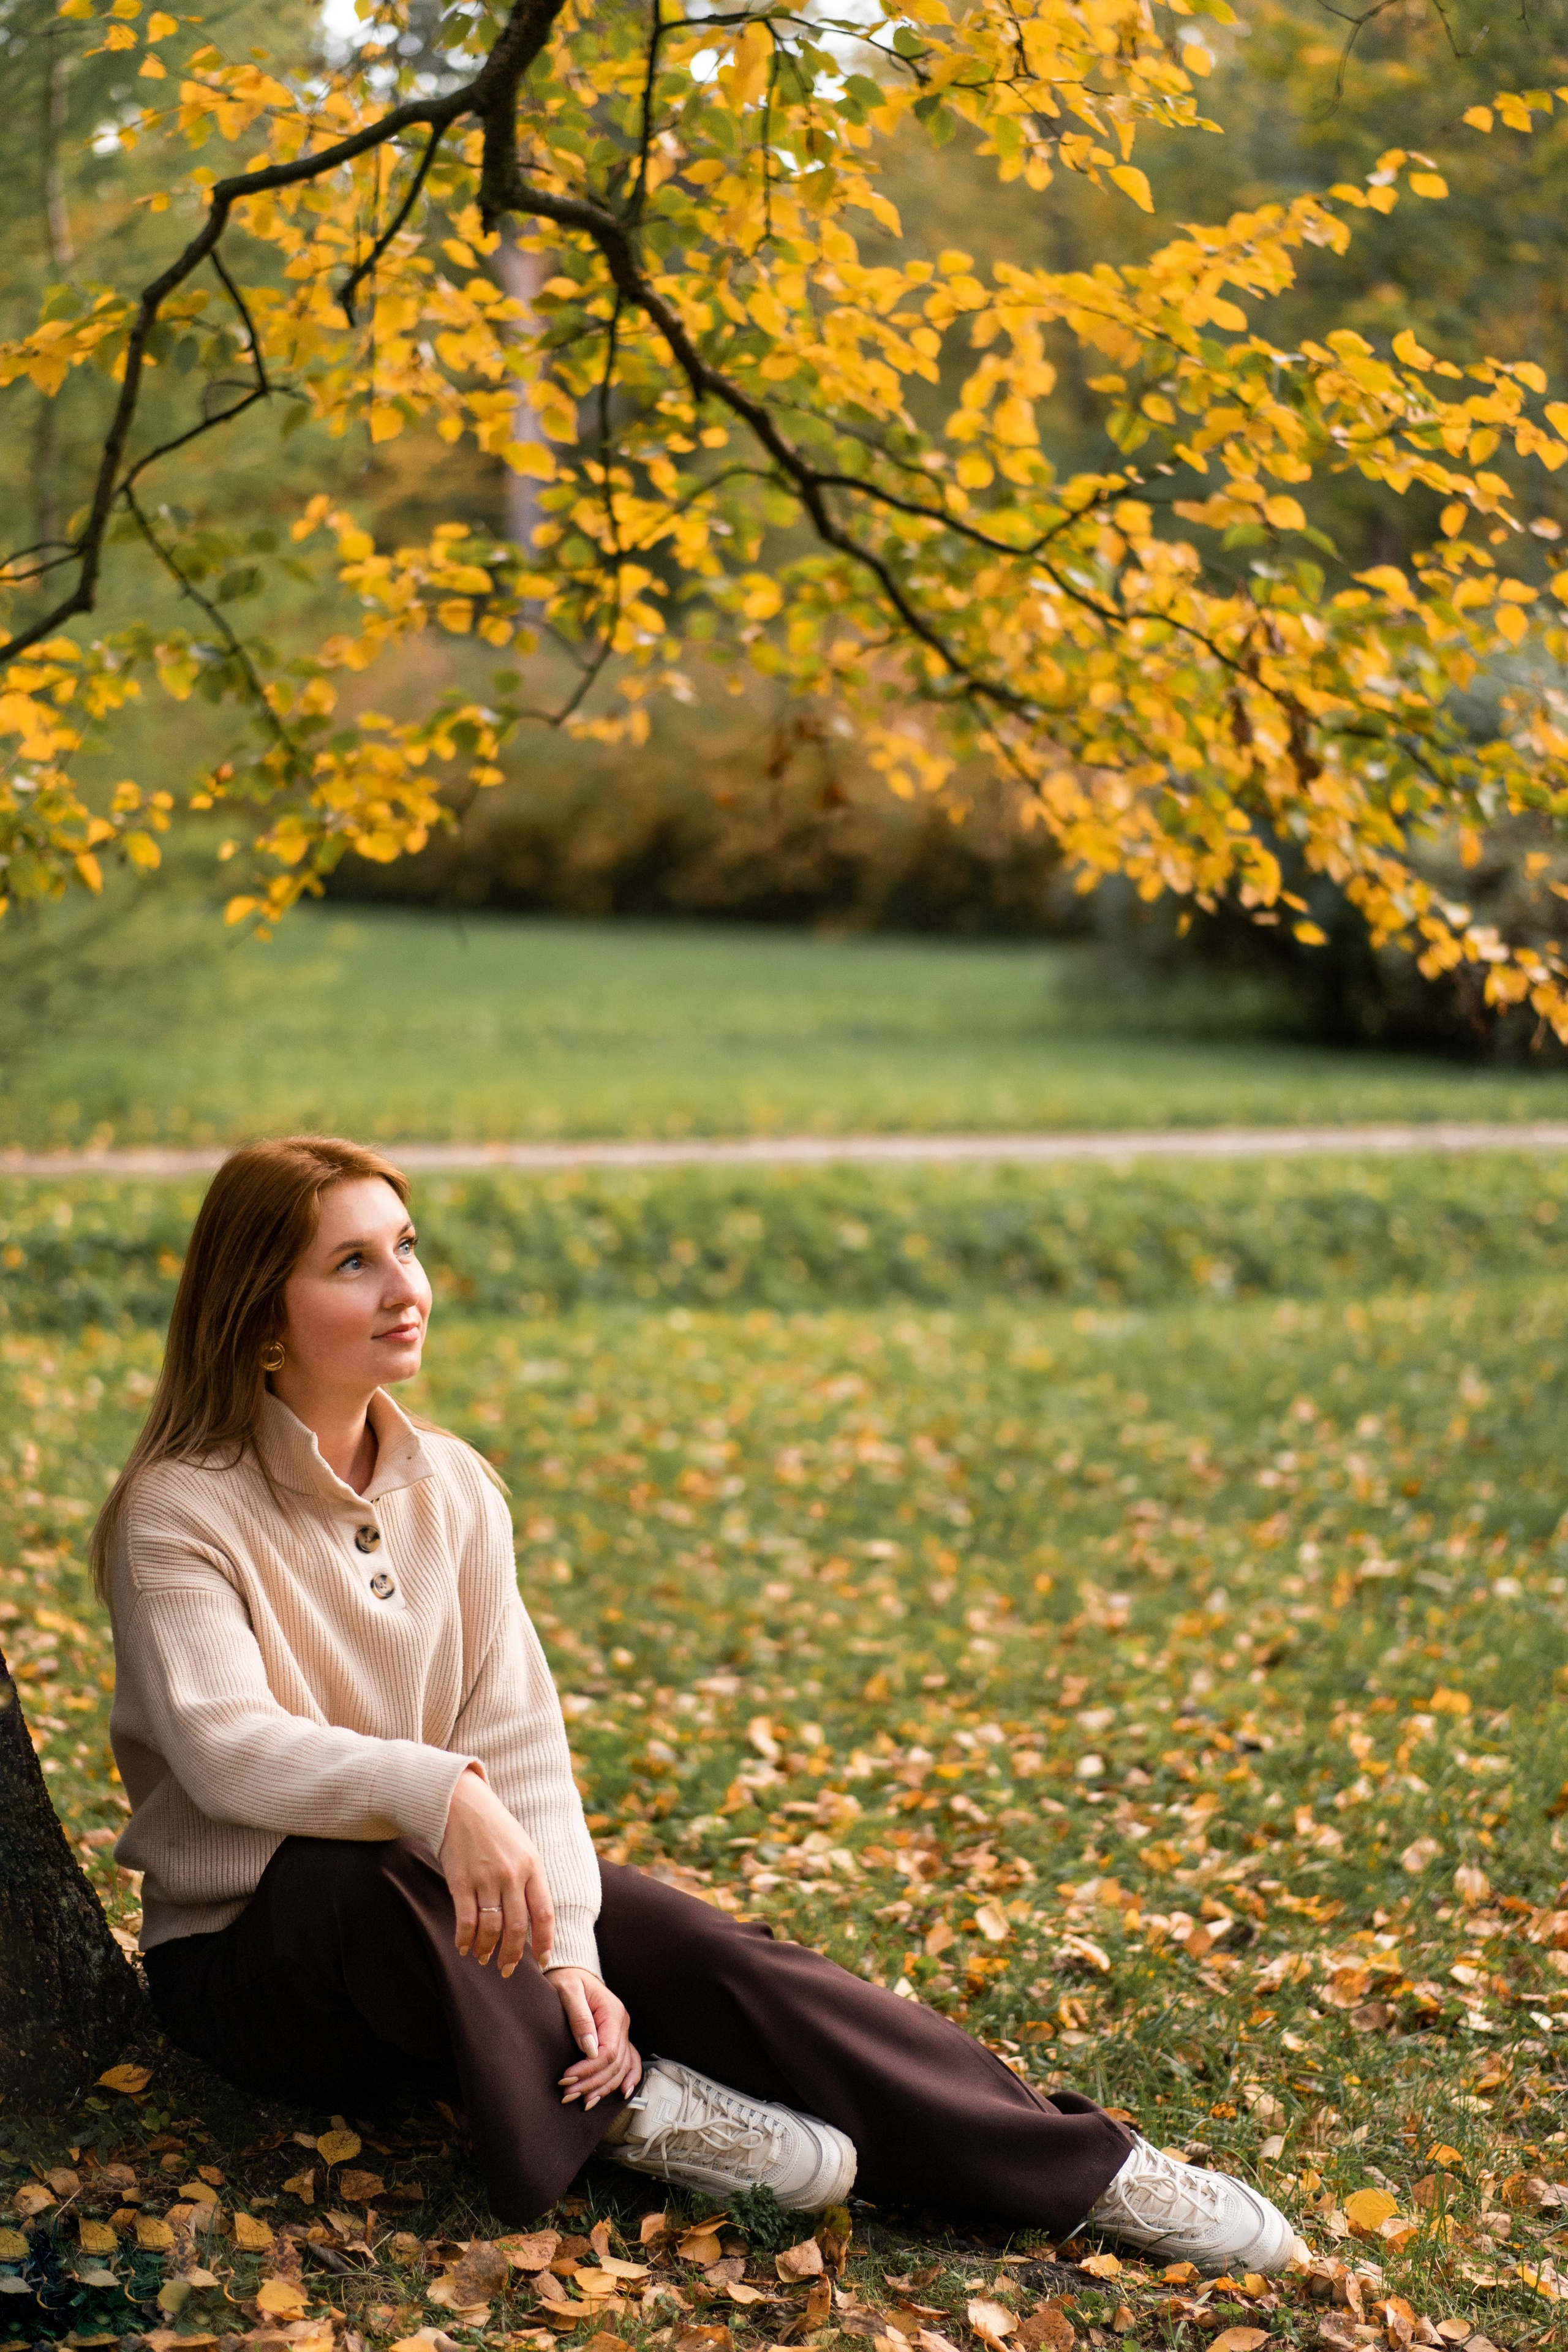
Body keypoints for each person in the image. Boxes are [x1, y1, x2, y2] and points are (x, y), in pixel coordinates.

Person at [93, 1134, 1297, 2271]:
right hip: (257, 1966)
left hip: (449, 1912)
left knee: (707, 1953)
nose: (406, 1287)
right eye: (353, 1263)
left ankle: (1085, 2170)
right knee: (361, 1881)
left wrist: (568, 1949)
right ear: (261, 1312)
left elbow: (517, 1738)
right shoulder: (179, 1508)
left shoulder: (453, 1487)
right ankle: (634, 2107)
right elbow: (225, 1750)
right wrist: (441, 1795)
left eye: (405, 1247)